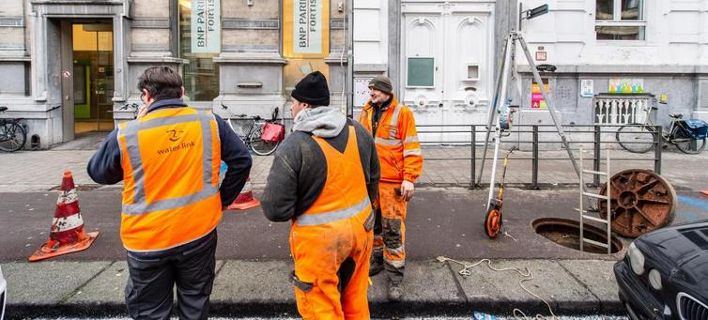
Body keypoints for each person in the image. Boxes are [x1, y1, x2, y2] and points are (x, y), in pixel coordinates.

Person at [87, 66, 252, 320]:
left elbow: (98, 172)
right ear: (182, 92)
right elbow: (242, 160)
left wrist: (135, 124)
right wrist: (222, 200)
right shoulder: (209, 122)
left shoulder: (128, 133)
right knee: (195, 303)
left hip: (147, 239)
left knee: (151, 311)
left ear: (146, 95)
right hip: (198, 231)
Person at [261, 71, 380, 319]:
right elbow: (373, 179)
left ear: (304, 105)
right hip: (361, 231)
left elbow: (275, 209)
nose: (291, 108)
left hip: (320, 243)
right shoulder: (358, 130)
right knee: (356, 300)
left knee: (320, 306)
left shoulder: (295, 145)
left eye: (293, 103)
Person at [357, 75, 423, 302]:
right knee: (373, 227)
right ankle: (377, 259)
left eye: (374, 89)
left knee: (393, 231)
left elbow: (412, 148)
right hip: (371, 183)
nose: (371, 93)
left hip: (393, 185)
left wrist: (410, 178)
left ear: (386, 91)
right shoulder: (365, 112)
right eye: (370, 89)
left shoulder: (402, 113)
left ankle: (395, 277)